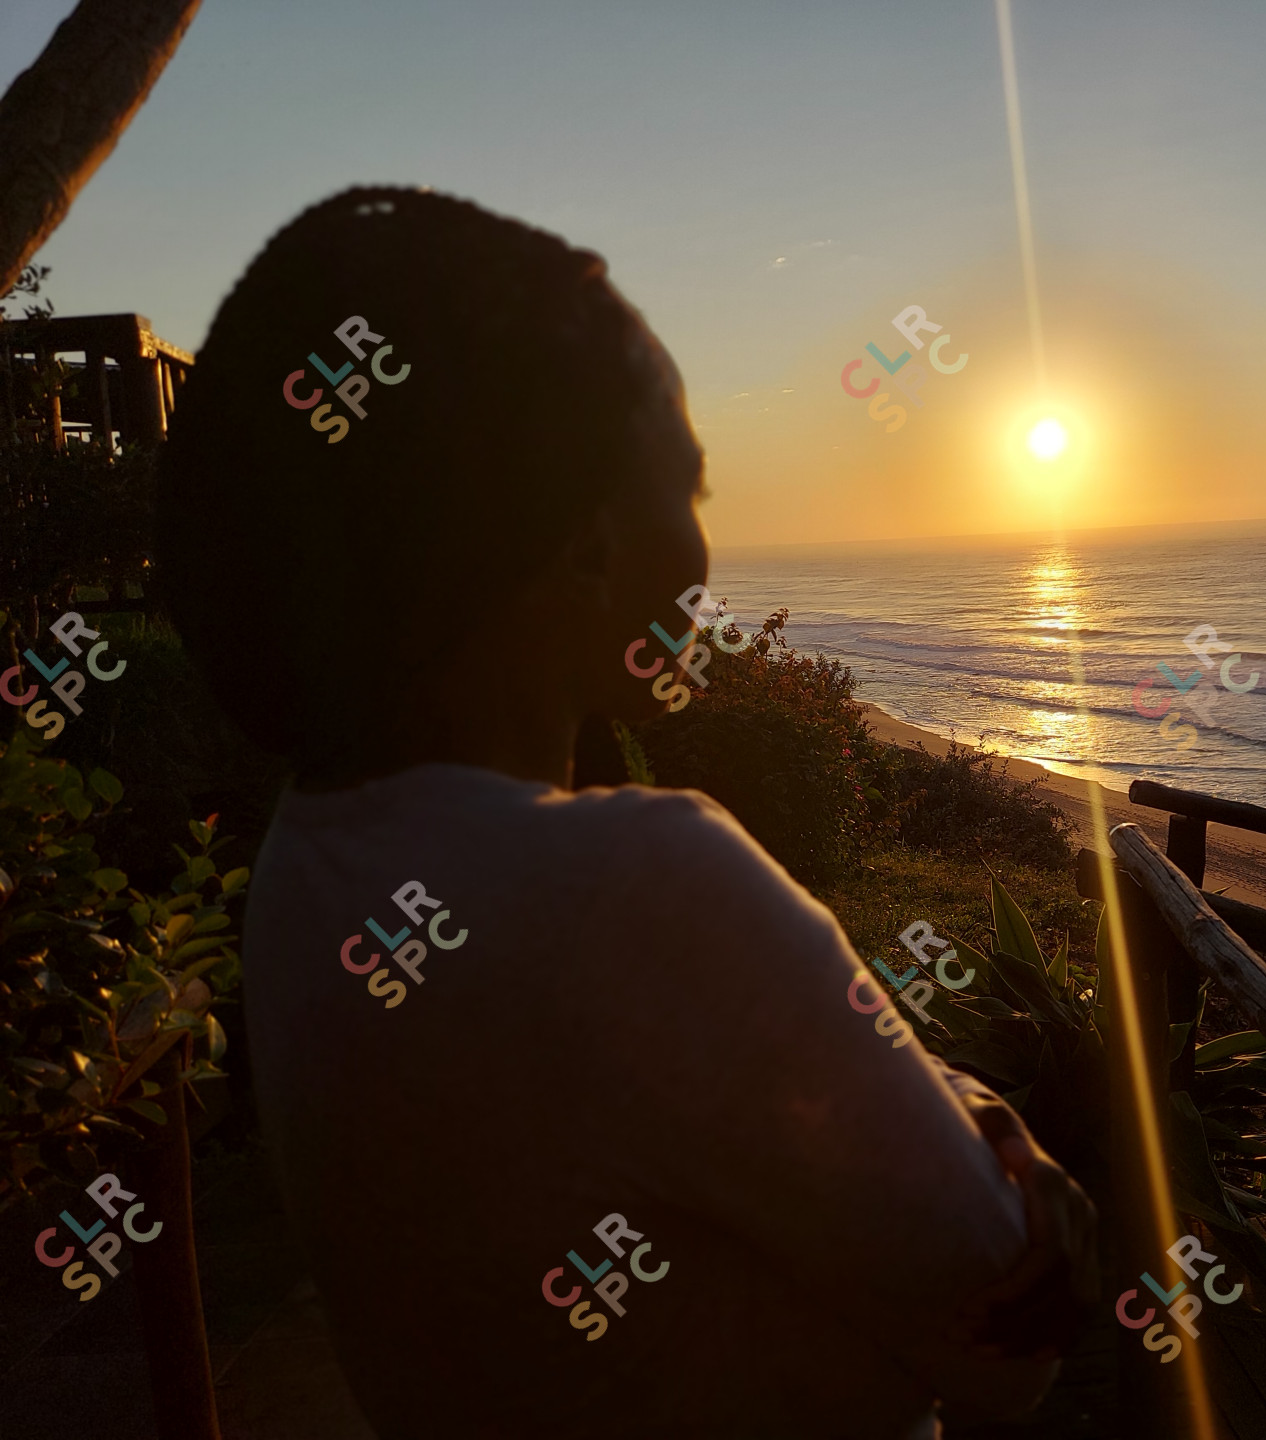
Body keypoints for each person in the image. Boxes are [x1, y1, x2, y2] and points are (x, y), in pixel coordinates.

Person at [155, 186, 1096, 1440]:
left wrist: (953, 1103)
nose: (704, 552)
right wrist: (1003, 1145)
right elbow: (1008, 1345)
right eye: (689, 486)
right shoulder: (645, 883)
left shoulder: (306, 865)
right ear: (591, 548)